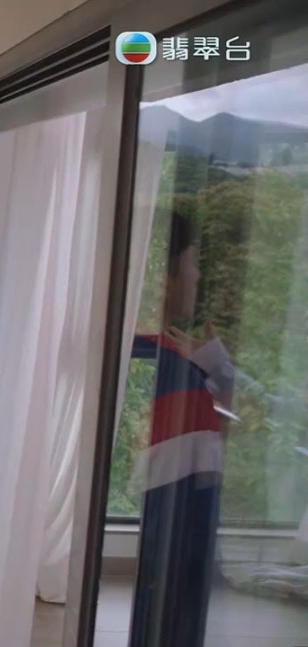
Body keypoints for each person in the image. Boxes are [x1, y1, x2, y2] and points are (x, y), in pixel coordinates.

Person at [128, 212, 233, 647]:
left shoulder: (166, 349)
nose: (199, 276)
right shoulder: (152, 354)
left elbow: (226, 420)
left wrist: (215, 367)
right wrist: (217, 370)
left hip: (184, 491)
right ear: (165, 277)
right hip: (179, 493)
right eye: (193, 263)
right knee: (175, 601)